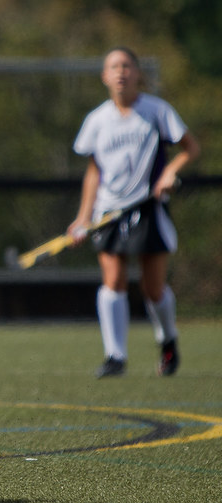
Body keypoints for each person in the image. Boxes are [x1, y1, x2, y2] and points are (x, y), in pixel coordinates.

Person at [68, 46, 199, 378]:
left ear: (138, 73)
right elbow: (94, 172)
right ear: (104, 76)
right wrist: (84, 217)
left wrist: (170, 172)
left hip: (148, 208)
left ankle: (168, 340)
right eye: (114, 66)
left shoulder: (157, 111)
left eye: (127, 66)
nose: (121, 72)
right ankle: (115, 356)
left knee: (153, 288)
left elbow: (190, 147)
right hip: (109, 212)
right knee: (113, 281)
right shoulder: (97, 120)